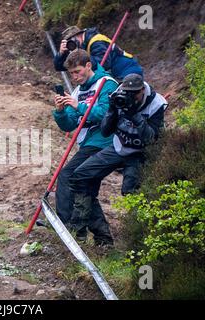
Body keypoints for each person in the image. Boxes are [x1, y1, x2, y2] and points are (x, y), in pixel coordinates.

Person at [70, 73, 167, 245]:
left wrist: (134, 115)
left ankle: (140, 240)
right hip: (118, 146)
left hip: (140, 153)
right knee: (80, 176)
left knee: (131, 192)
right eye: (127, 92)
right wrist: (113, 109)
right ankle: (87, 234)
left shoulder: (156, 103)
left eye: (134, 93)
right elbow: (106, 131)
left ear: (142, 90)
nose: (130, 96)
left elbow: (151, 140)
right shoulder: (118, 96)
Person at [50, 49, 118, 242]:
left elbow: (106, 115)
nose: (74, 77)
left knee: (68, 175)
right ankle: (102, 238)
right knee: (85, 188)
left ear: (89, 65)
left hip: (104, 142)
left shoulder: (106, 84)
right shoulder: (78, 91)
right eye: (71, 73)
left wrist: (78, 105)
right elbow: (70, 124)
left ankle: (65, 224)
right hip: (88, 143)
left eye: (77, 71)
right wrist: (61, 111)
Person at [53, 26, 143, 81]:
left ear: (80, 35)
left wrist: (80, 53)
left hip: (127, 70)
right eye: (68, 43)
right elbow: (60, 67)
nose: (72, 44)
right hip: (115, 75)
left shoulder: (96, 40)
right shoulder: (80, 48)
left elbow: (103, 63)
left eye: (73, 40)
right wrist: (61, 54)